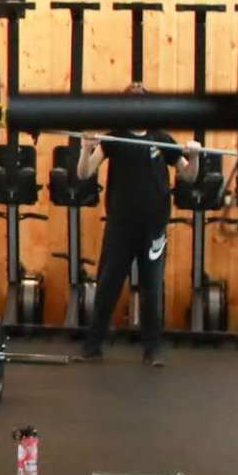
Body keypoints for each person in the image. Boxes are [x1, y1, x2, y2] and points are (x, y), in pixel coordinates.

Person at [74, 90, 187, 365]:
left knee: (152, 290)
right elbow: (84, 172)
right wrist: (85, 149)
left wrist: (193, 157)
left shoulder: (162, 138)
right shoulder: (115, 137)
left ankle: (153, 351)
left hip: (153, 229)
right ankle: (93, 347)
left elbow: (189, 173)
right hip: (120, 228)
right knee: (108, 286)